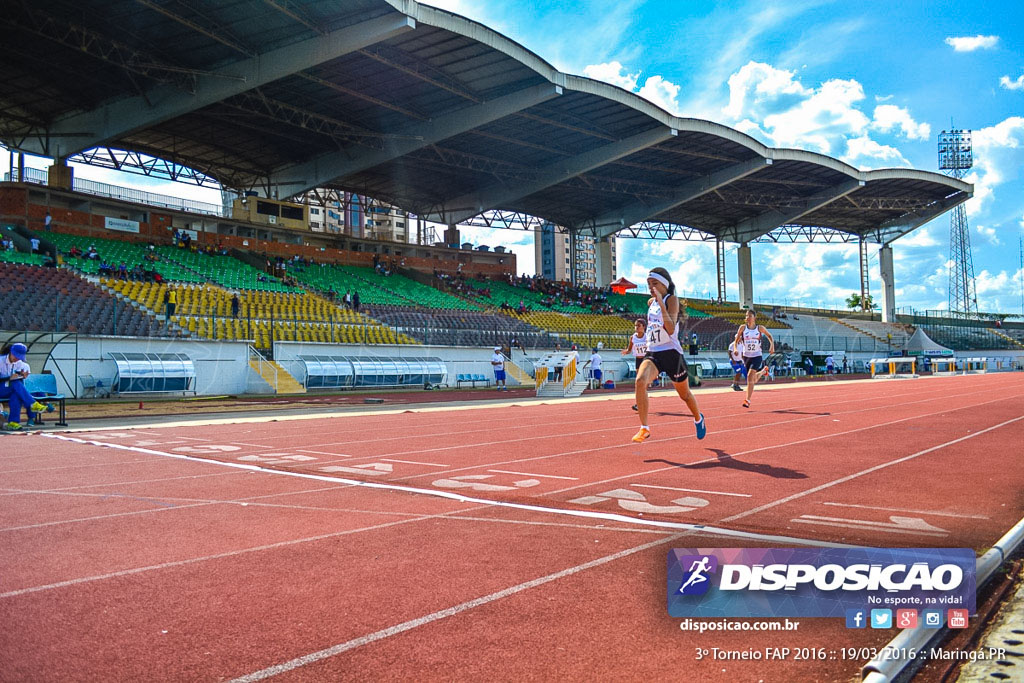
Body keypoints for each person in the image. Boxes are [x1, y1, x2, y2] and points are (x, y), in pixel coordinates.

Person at [632, 268, 706, 443]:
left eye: (655, 283)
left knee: (685, 395)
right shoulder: (652, 303)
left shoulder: (671, 300)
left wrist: (659, 301)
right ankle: (644, 428)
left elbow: (671, 328)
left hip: (672, 354)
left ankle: (698, 418)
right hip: (653, 352)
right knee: (640, 381)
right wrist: (655, 301)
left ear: (664, 284)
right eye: (649, 284)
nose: (651, 287)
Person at [0, 344, 54, 431]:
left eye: (19, 357)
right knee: (15, 382)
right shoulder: (0, 361)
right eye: (16, 356)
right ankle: (32, 404)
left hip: (11, 389)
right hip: (1, 389)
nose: (17, 359)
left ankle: (13, 422)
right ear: (11, 352)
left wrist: (22, 376)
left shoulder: (20, 364)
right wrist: (9, 378)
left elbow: (19, 382)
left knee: (16, 395)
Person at [733, 308, 775, 409]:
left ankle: (747, 400)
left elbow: (770, 336)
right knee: (751, 379)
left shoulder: (759, 328)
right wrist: (735, 348)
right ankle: (763, 371)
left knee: (750, 375)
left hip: (757, 355)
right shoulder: (742, 328)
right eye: (746, 316)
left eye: (750, 316)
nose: (748, 318)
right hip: (746, 356)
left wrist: (772, 345)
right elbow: (736, 340)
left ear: (754, 318)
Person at [622, 318, 648, 411]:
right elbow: (630, 349)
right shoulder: (633, 337)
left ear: (644, 327)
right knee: (639, 382)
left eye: (639, 326)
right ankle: (639, 402)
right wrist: (626, 351)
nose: (636, 327)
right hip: (638, 360)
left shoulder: (647, 337)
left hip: (646, 360)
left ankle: (641, 402)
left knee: (642, 382)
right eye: (635, 325)